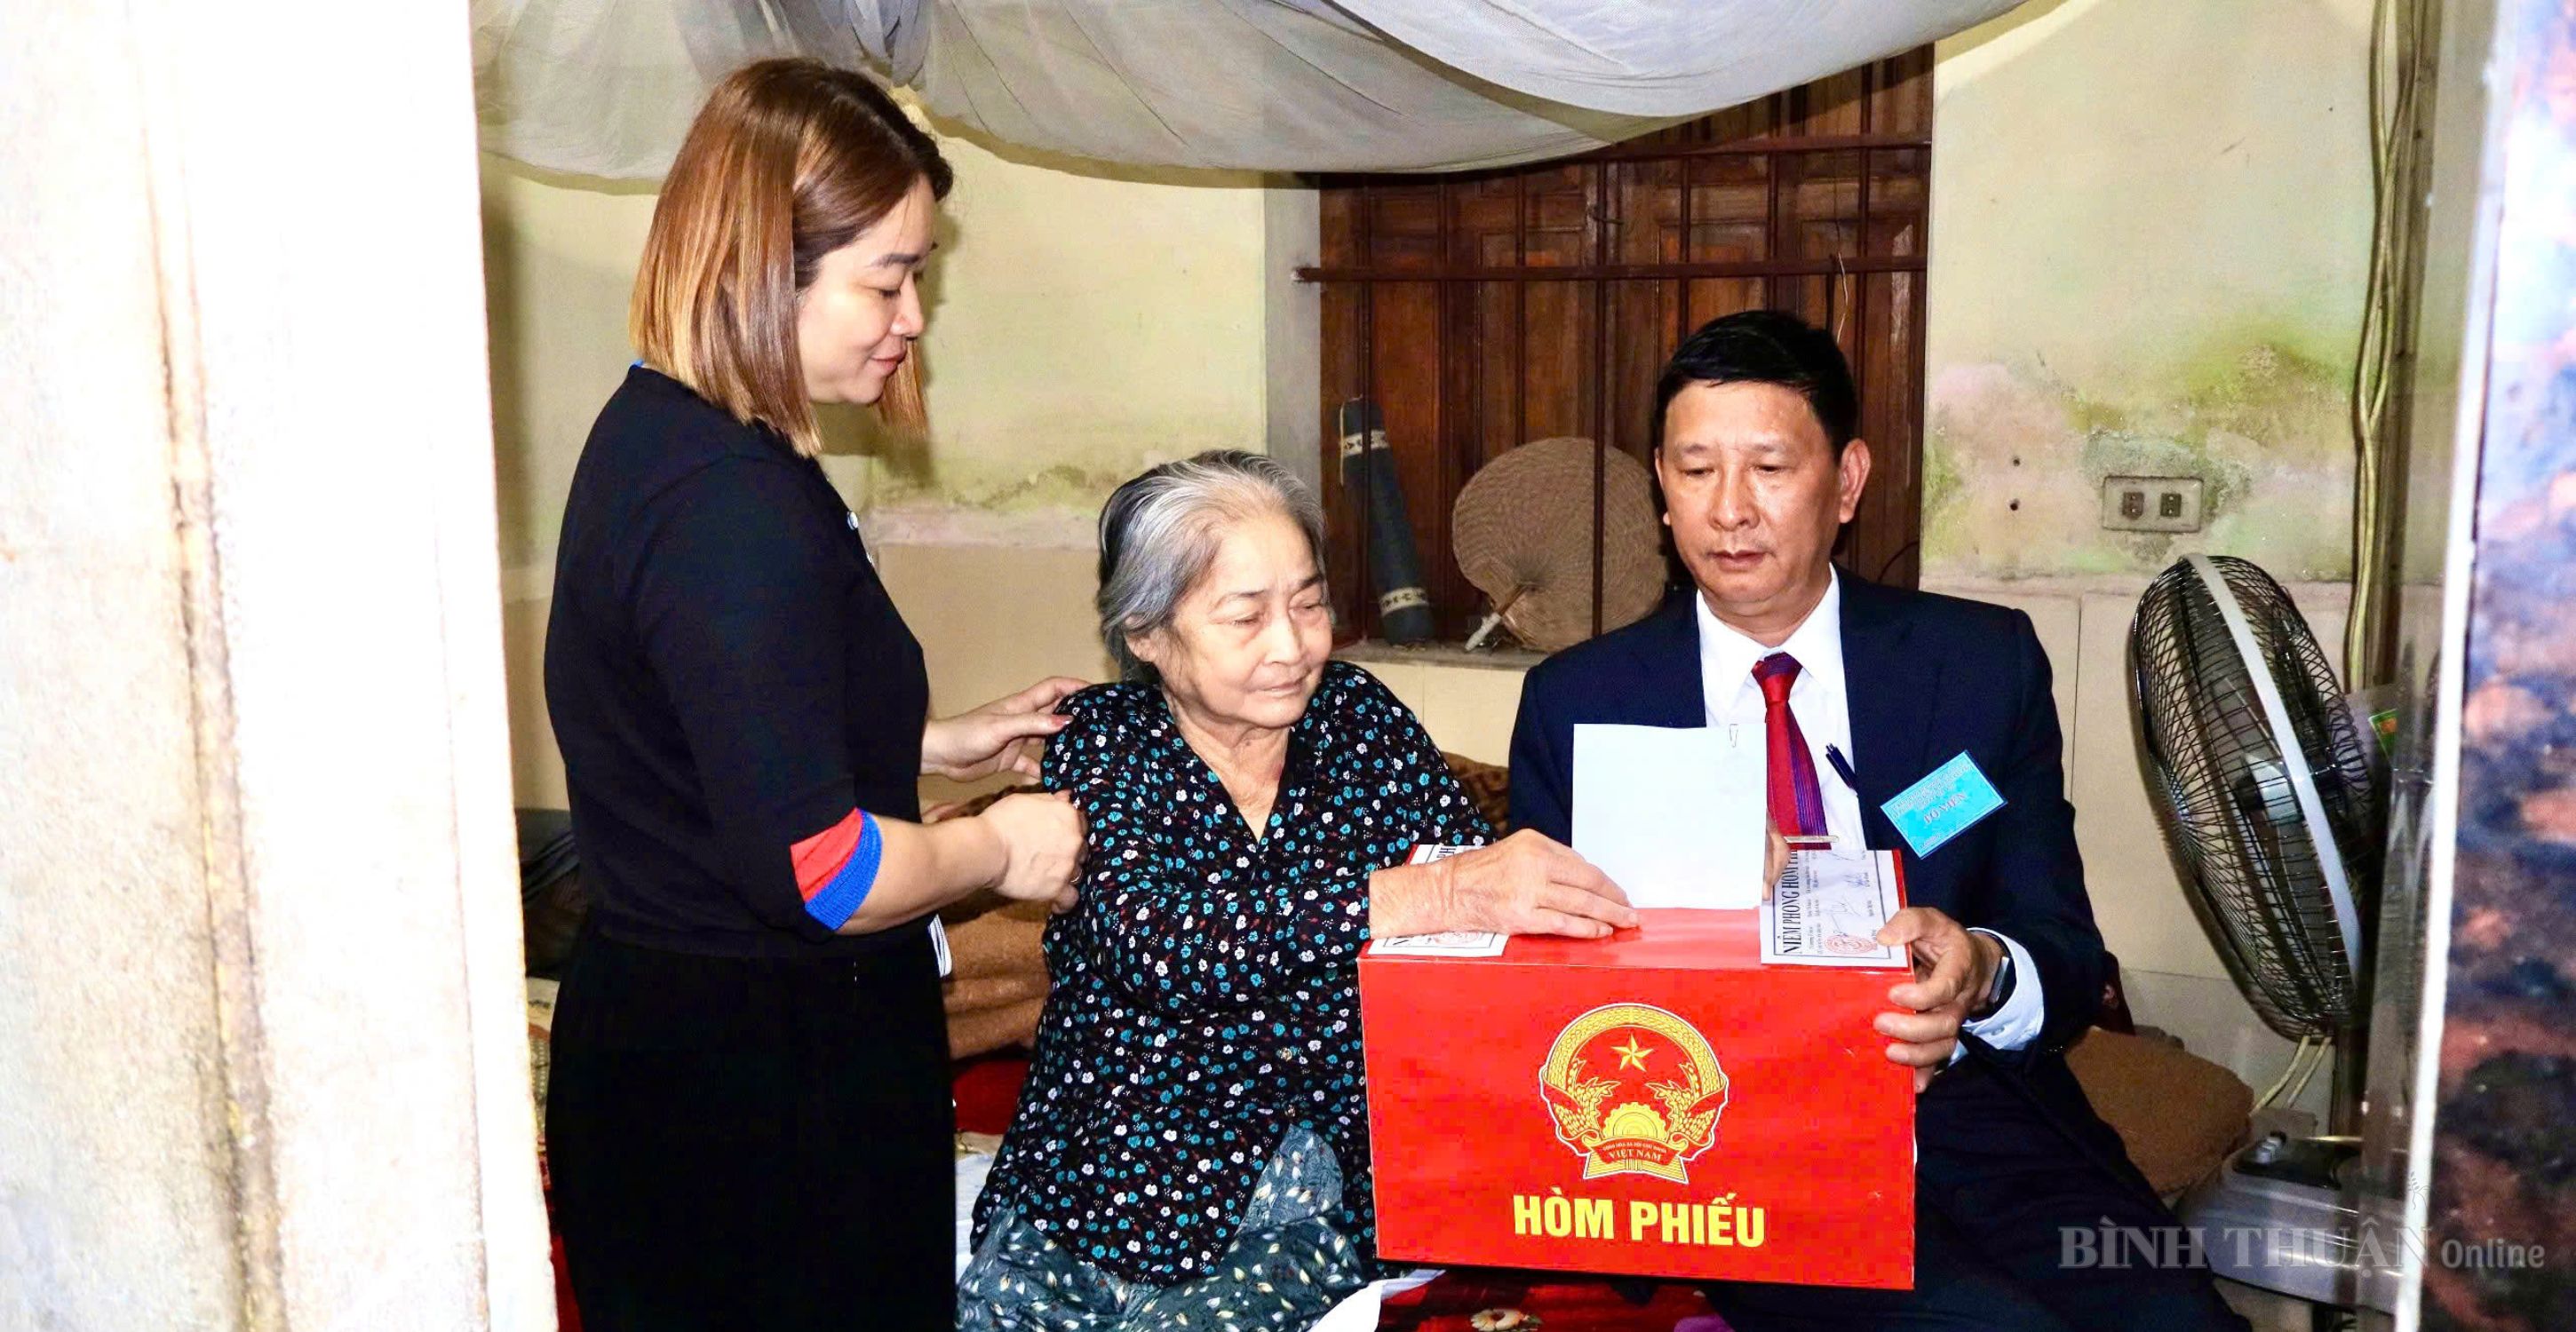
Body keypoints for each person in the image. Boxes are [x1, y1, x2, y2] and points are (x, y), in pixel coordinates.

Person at [1508, 311, 2250, 1331]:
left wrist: (1980, 970)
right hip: (1730, 1145)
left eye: (1769, 467)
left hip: (1974, 1107)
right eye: (1695, 470)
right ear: (1661, 492)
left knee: (2177, 1319)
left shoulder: (1977, 666)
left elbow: (2064, 951)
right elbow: (1547, 999)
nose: (1729, 509)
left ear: (1846, 481)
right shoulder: (1581, 704)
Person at [541, 59, 1087, 1332]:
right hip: (755, 1099)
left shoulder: (671, 435)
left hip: (700, 1051)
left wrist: (936, 737)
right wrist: (999, 846)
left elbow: (717, 724)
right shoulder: (730, 510)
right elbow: (826, 874)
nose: (912, 319)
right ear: (761, 269)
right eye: (885, 282)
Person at [958, 451, 1638, 1330]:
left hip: (1315, 1179)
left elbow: (1485, 900)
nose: (1291, 646)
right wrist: (1423, 895)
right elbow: (1155, 942)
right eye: (1245, 616)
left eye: (1309, 604)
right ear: (1145, 633)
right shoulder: (1103, 741)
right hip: (1098, 1180)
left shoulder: (1359, 719)